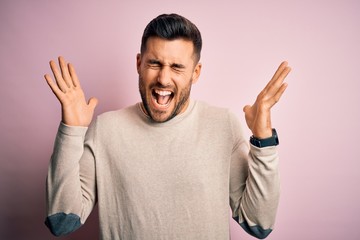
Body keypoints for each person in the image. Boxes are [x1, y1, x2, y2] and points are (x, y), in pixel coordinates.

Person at [44, 13, 291, 240]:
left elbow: (258, 223)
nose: (163, 78)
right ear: (139, 63)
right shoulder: (106, 130)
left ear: (195, 73)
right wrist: (71, 131)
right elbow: (62, 221)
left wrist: (264, 140)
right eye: (154, 64)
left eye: (176, 67)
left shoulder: (222, 125)